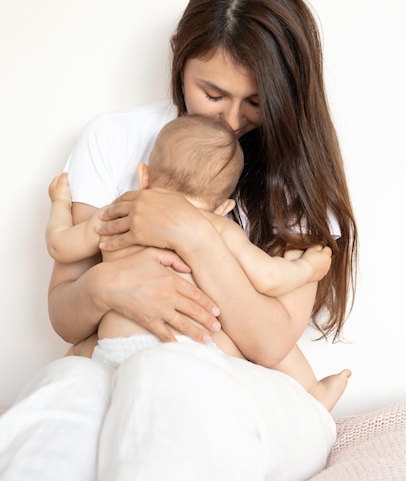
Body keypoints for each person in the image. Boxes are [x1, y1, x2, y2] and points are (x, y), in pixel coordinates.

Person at [0, 0, 358, 481]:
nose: (232, 119)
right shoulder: (115, 138)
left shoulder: (297, 174)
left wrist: (190, 232)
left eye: (256, 102)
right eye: (212, 93)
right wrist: (109, 284)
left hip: (249, 384)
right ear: (178, 57)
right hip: (116, 360)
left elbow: (270, 342)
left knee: (162, 374)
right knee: (65, 389)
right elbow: (66, 314)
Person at [46, 114, 350, 412]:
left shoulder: (120, 212)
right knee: (267, 339)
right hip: (202, 355)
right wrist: (310, 268)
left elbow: (60, 245)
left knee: (81, 350)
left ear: (144, 176)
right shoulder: (218, 227)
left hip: (118, 350)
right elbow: (269, 277)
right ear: (223, 206)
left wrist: (60, 204)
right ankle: (312, 392)